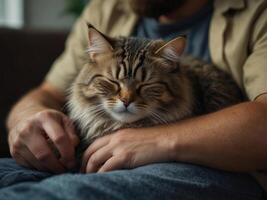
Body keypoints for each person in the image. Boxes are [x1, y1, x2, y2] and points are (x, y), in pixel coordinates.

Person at [1, 0, 267, 199]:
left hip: (208, 166)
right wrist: (27, 120)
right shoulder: (108, 7)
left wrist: (157, 140)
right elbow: (46, 93)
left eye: (145, 86)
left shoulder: (259, 11)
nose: (126, 98)